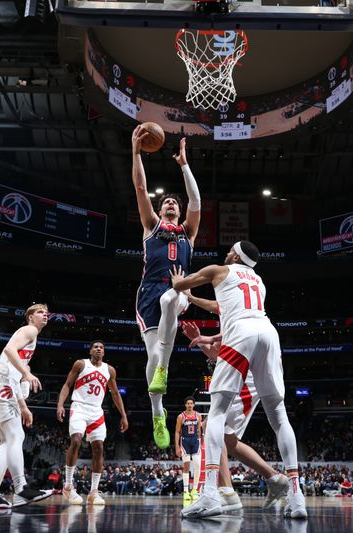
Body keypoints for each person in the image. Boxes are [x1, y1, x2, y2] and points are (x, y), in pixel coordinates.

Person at [171, 241, 306, 519]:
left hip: (242, 334)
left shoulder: (218, 270)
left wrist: (179, 284)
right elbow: (225, 307)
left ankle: (210, 494)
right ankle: (297, 496)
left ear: (234, 254)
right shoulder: (258, 281)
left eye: (230, 251)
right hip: (268, 333)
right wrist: (199, 309)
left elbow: (178, 286)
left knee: (216, 413)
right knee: (279, 417)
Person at [131, 126, 201, 448]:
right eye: (168, 202)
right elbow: (141, 187)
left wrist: (184, 164)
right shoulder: (151, 226)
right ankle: (158, 412)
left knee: (173, 297)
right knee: (153, 352)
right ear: (161, 211)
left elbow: (196, 200)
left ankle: (164, 368)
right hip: (148, 293)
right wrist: (135, 153)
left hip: (178, 290)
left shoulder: (188, 232)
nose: (172, 204)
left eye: (175, 202)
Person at [182, 321, 291, 513]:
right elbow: (217, 353)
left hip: (247, 378)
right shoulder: (237, 314)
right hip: (245, 375)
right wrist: (198, 340)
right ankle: (274, 478)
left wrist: (190, 298)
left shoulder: (240, 312)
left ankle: (227, 493)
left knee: (210, 426)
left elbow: (219, 346)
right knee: (228, 441)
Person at [0, 303, 53, 509]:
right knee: (15, 437)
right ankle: (21, 489)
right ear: (30, 317)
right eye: (40, 312)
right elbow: (8, 349)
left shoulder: (31, 338)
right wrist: (27, 375)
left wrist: (23, 399)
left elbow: (14, 372)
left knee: (7, 440)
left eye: (47, 313)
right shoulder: (29, 330)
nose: (45, 315)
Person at [57, 340, 129, 506]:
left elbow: (116, 394)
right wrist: (61, 404)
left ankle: (94, 492)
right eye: (95, 347)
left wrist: (124, 415)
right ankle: (68, 485)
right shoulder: (80, 364)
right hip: (79, 407)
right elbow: (67, 384)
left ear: (104, 352)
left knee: (99, 448)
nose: (99, 349)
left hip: (97, 411)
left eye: (102, 347)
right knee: (76, 440)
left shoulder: (109, 370)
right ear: (90, 350)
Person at [175, 396, 202, 500]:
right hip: (185, 441)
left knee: (198, 465)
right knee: (186, 466)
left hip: (195, 441)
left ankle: (195, 490)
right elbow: (177, 432)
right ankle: (186, 491)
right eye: (188, 403)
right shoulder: (181, 417)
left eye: (191, 403)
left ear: (194, 405)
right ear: (185, 405)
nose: (190, 405)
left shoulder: (198, 415)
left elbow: (199, 430)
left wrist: (200, 440)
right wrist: (177, 446)